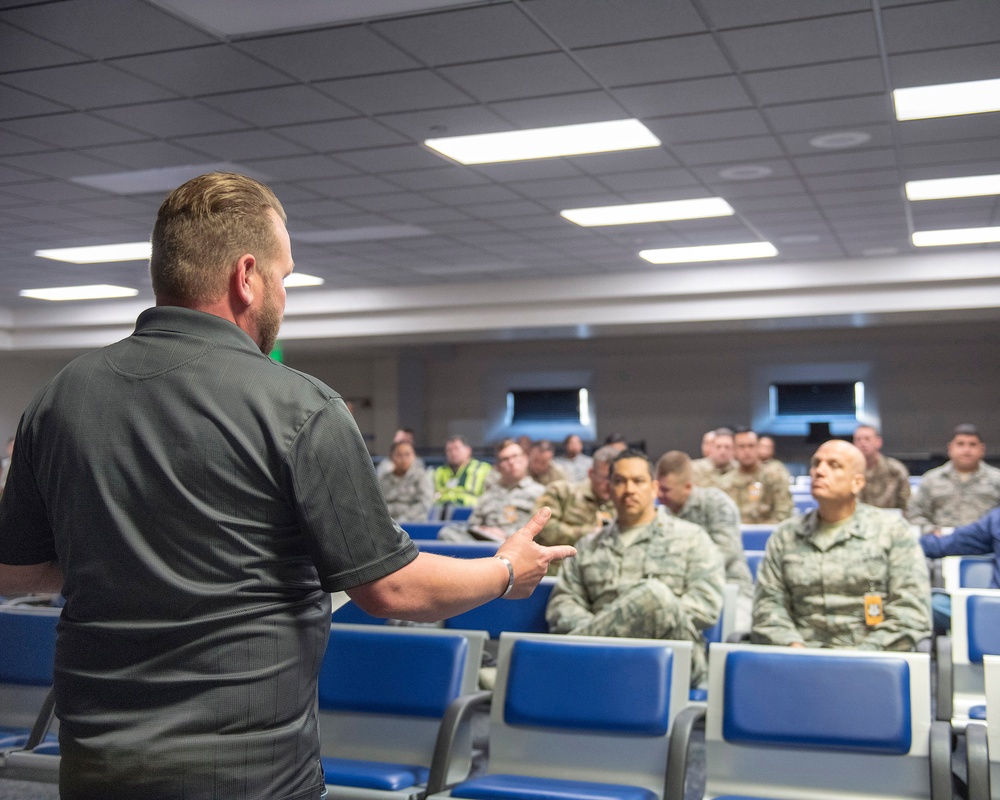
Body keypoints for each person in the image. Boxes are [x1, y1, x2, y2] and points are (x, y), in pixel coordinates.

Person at [0, 172, 576, 800]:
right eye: (285, 277)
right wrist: (504, 571)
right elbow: (391, 589)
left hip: (95, 768)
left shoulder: (60, 396)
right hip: (247, 774)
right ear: (247, 276)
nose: (284, 294)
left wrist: (135, 558)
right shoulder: (299, 406)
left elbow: (14, 571)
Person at [546, 449, 724, 686]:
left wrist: (634, 619)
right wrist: (607, 633)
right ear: (608, 488)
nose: (629, 490)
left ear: (653, 488)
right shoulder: (589, 546)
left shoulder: (692, 538)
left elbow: (705, 605)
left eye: (638, 481)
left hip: (672, 657)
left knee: (654, 596)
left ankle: (547, 669)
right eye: (619, 481)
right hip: (603, 657)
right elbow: (563, 604)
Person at [752, 440, 931, 650]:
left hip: (871, 661)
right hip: (799, 657)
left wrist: (859, 657)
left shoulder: (892, 531)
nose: (819, 471)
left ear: (857, 483)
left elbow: (910, 610)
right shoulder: (786, 535)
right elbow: (768, 605)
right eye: (816, 464)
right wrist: (794, 647)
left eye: (833, 465)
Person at [655, 450, 754, 629]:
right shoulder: (661, 514)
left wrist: (680, 572)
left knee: (737, 632)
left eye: (666, 490)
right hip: (679, 592)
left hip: (729, 587)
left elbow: (726, 551)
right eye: (658, 489)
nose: (659, 496)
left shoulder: (716, 503)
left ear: (687, 486)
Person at [439, 441, 545, 542]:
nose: (511, 462)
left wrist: (506, 535)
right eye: (505, 459)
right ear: (498, 466)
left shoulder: (540, 493)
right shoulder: (489, 494)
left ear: (525, 459)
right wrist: (483, 530)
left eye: (515, 456)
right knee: (447, 533)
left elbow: (544, 530)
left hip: (518, 544)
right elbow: (472, 525)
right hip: (485, 544)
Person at [907, 424, 1000, 534]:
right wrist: (931, 530)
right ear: (950, 448)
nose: (966, 450)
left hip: (987, 543)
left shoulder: (997, 479)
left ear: (982, 449)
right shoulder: (931, 479)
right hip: (942, 543)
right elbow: (914, 513)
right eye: (960, 444)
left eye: (972, 445)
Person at [920, 507, 1000, 631]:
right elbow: (946, 544)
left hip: (990, 615)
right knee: (933, 603)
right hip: (992, 610)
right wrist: (905, 543)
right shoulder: (996, 520)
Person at [533, 444, 618, 548]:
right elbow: (543, 527)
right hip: (561, 561)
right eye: (604, 478)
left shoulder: (622, 503)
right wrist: (588, 533)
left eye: (616, 479)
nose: (609, 484)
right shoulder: (562, 492)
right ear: (591, 473)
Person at [724, 429, 793, 524]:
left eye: (751, 446)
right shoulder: (725, 482)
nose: (747, 451)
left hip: (769, 533)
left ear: (758, 448)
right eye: (741, 447)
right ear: (734, 450)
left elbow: (784, 513)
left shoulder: (774, 477)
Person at [852, 424, 910, 510]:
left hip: (890, 520)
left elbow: (906, 505)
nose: (862, 443)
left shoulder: (895, 470)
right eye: (858, 439)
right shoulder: (849, 471)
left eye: (867, 439)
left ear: (878, 442)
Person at [378, 439, 435, 521]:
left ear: (414, 457)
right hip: (387, 523)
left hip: (414, 523)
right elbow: (377, 505)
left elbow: (424, 504)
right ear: (391, 457)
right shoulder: (383, 479)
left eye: (407, 454)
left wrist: (404, 518)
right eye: (399, 455)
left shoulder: (421, 477)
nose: (403, 459)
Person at [432, 435, 492, 510]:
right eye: (449, 450)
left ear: (468, 450)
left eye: (456, 449)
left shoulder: (483, 469)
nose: (453, 453)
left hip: (472, 514)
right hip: (442, 514)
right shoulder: (438, 472)